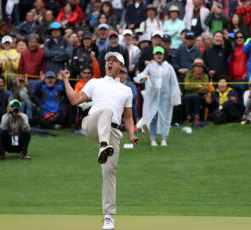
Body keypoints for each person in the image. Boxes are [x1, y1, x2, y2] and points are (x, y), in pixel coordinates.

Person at [58, 51, 138, 230]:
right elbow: (74, 100)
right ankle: (103, 146)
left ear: (121, 67)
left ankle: (108, 217)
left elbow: (129, 117)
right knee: (107, 111)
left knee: (109, 173)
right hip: (92, 123)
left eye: (114, 61)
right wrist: (65, 80)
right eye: (108, 60)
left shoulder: (126, 90)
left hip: (114, 132)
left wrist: (132, 135)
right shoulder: (95, 82)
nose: (109, 62)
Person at [135, 47, 180, 146]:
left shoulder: (169, 67)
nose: (158, 56)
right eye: (157, 54)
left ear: (163, 55)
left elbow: (173, 82)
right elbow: (139, 77)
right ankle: (153, 139)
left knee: (165, 118)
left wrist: (174, 96)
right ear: (154, 55)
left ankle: (164, 138)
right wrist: (144, 77)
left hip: (165, 98)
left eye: (160, 54)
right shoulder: (150, 67)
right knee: (153, 117)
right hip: (152, 97)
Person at [183, 58, 209, 123]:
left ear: (203, 68)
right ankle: (188, 116)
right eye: (197, 66)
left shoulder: (205, 76)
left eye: (200, 67)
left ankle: (196, 116)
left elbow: (205, 89)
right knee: (187, 97)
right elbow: (186, 87)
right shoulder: (189, 74)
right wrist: (198, 86)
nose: (198, 68)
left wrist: (192, 90)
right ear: (193, 67)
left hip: (200, 96)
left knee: (196, 96)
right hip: (188, 95)